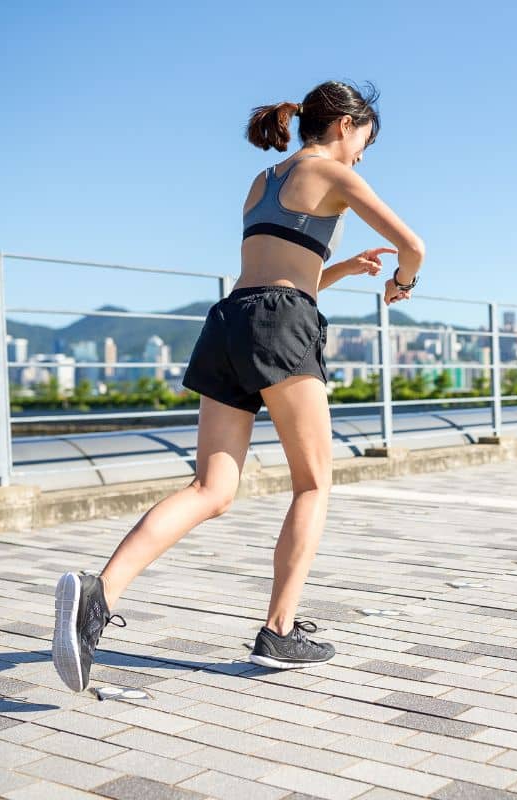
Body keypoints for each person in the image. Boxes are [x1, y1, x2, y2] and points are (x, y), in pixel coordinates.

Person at [52, 79, 426, 691]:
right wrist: (401, 284)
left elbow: (274, 278)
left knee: (211, 487)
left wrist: (338, 270)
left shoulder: (266, 180)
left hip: (231, 319)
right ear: (344, 127)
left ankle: (97, 596)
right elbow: (414, 246)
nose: (362, 155)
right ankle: (279, 632)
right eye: (365, 140)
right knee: (312, 483)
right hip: (280, 325)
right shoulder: (336, 173)